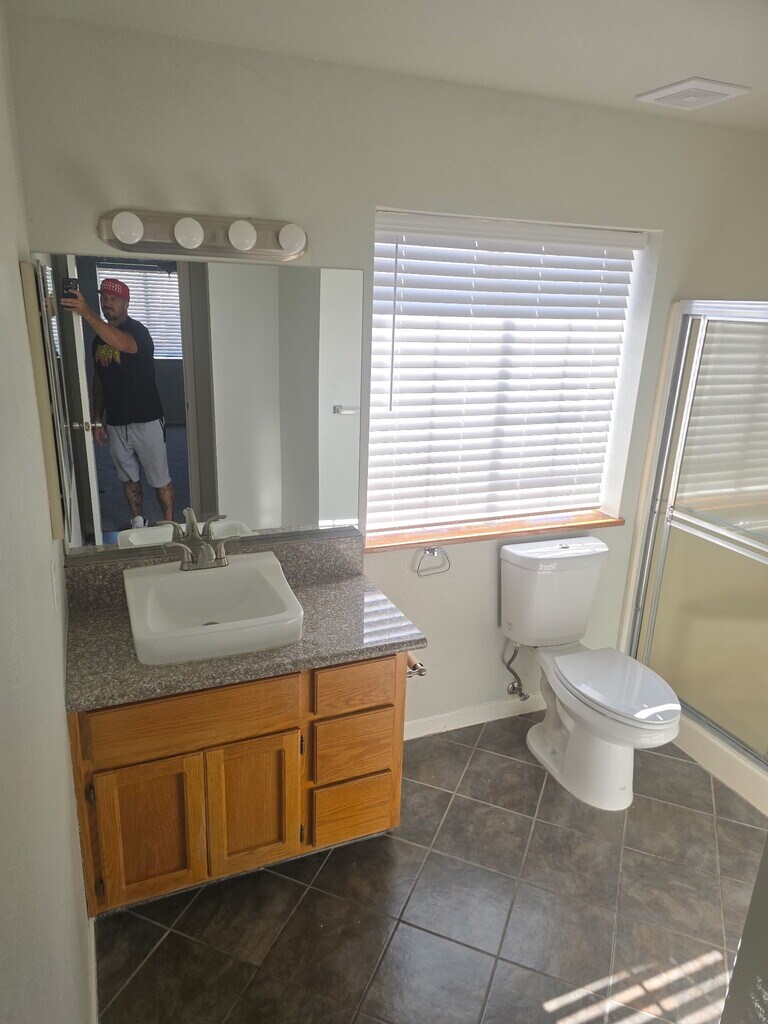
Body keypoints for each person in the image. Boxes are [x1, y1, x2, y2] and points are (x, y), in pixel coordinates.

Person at [61, 277, 174, 527]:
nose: (107, 302)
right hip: (116, 421)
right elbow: (99, 381)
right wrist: (97, 418)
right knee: (128, 477)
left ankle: (169, 524)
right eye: (104, 298)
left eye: (114, 299)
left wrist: (87, 312)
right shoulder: (98, 341)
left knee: (159, 478)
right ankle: (138, 521)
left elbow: (123, 343)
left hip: (147, 420)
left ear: (126, 303)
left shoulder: (138, 331)